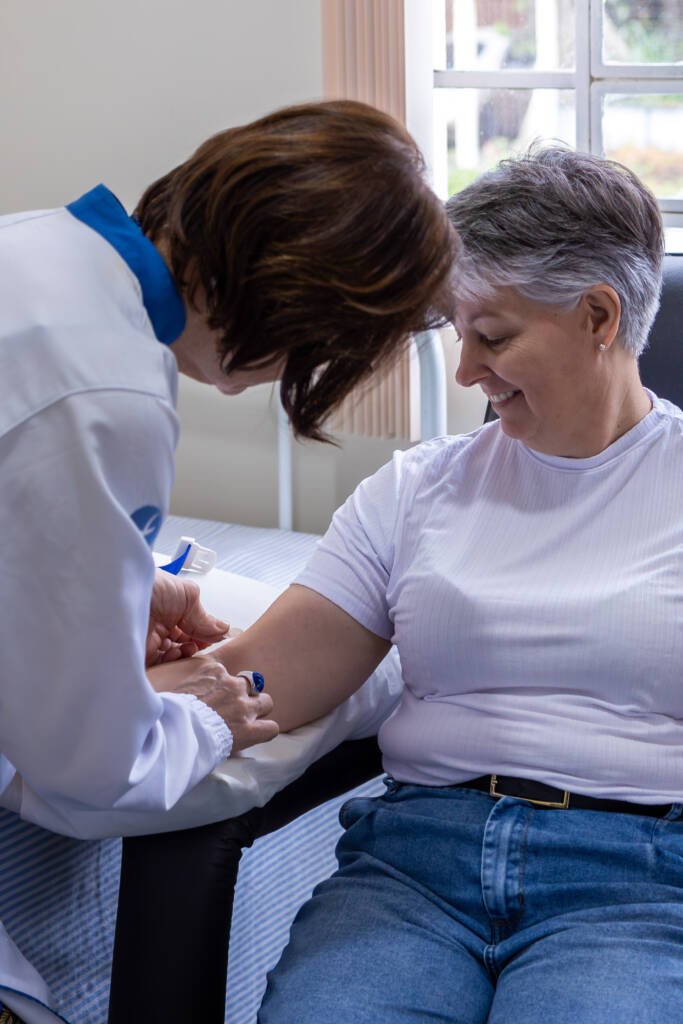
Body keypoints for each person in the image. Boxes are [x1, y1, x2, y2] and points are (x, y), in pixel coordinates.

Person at [202, 145, 683, 1023]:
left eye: (492, 337)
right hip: (415, 870)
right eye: (458, 335)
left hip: (639, 883)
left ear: (599, 317)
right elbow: (258, 681)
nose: (465, 372)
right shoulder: (416, 489)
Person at [0, 100, 456, 1022]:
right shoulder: (105, 394)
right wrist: (209, 717)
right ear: (298, 300)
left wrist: (125, 588)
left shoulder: (35, 250)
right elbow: (89, 776)